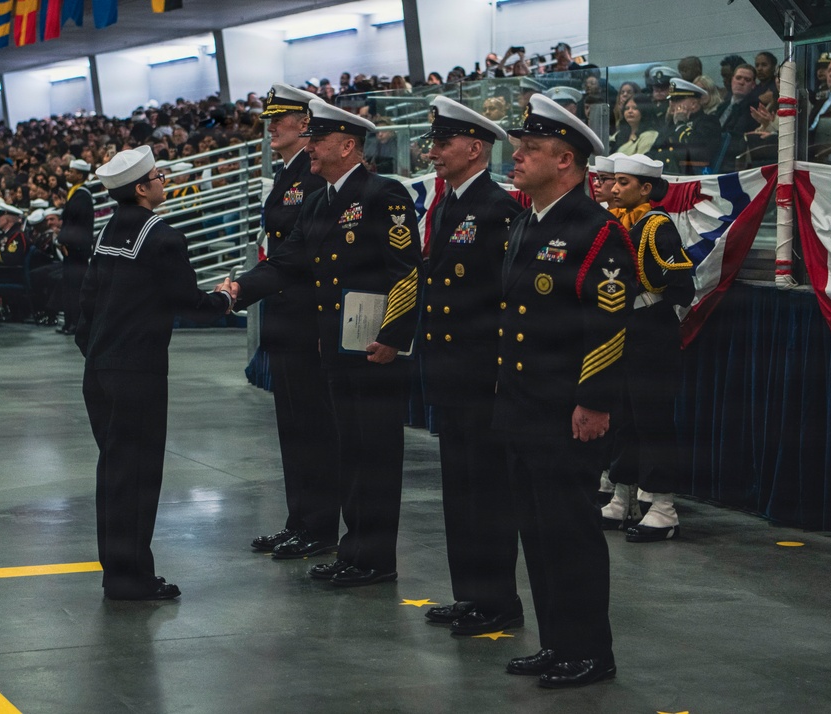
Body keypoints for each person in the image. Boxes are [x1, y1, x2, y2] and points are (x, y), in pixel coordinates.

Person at [230, 99, 423, 588]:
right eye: (310, 139)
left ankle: (376, 557)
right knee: (352, 453)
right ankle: (354, 550)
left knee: (375, 458)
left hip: (375, 349)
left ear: (347, 146)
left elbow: (406, 273)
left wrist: (393, 338)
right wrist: (236, 291)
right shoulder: (319, 201)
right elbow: (288, 262)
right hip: (335, 346)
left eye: (318, 141)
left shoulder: (385, 194)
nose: (309, 148)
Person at [497, 93, 635, 688]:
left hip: (567, 408)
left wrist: (595, 399)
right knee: (537, 529)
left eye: (531, 150)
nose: (518, 157)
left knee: (571, 532)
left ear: (567, 162)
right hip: (524, 404)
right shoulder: (528, 221)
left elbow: (608, 321)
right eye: (520, 147)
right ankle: (556, 643)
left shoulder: (595, 229)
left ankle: (589, 651)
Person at [75, 145, 236, 601]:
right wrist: (225, 298)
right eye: (159, 177)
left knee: (114, 475)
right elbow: (186, 301)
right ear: (143, 188)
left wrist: (98, 354)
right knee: (140, 477)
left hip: (100, 371)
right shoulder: (161, 235)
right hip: (138, 374)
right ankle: (132, 579)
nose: (164, 181)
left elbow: (86, 309)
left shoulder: (108, 232)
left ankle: (118, 573)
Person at [417, 96, 525, 636]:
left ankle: (498, 600)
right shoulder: (452, 205)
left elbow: (506, 300)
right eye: (434, 143)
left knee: (488, 493)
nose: (433, 152)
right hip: (453, 374)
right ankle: (471, 594)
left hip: (483, 375)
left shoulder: (497, 210)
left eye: (443, 143)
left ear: (475, 148)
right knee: (460, 492)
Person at [248, 83, 339, 560]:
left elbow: (303, 251)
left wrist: (242, 288)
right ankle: (299, 519)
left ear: (304, 124)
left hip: (307, 316)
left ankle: (320, 526)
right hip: (284, 315)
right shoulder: (290, 172)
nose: (270, 128)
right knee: (292, 428)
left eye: (277, 120)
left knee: (313, 429)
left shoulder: (315, 172)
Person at [601, 154, 693, 542]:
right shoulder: (621, 224)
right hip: (624, 330)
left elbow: (682, 285)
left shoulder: (657, 227)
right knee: (623, 415)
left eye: (625, 182)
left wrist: (654, 316)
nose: (616, 188)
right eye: (616, 181)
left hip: (650, 330)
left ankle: (663, 506)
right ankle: (623, 495)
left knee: (651, 419)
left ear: (646, 189)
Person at [56, 158, 94, 336]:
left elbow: (75, 224)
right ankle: (70, 322)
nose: (68, 174)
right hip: (71, 249)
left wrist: (65, 241)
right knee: (69, 288)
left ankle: (76, 323)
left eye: (71, 171)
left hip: (76, 250)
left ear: (80, 175)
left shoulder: (82, 195)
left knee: (76, 288)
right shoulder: (75, 193)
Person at [651, 79, 722, 174]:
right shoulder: (672, 123)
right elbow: (655, 149)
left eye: (677, 99)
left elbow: (700, 153)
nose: (672, 104)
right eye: (671, 99)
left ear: (693, 104)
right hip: (665, 173)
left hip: (687, 177)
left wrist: (681, 125)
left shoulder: (707, 121)